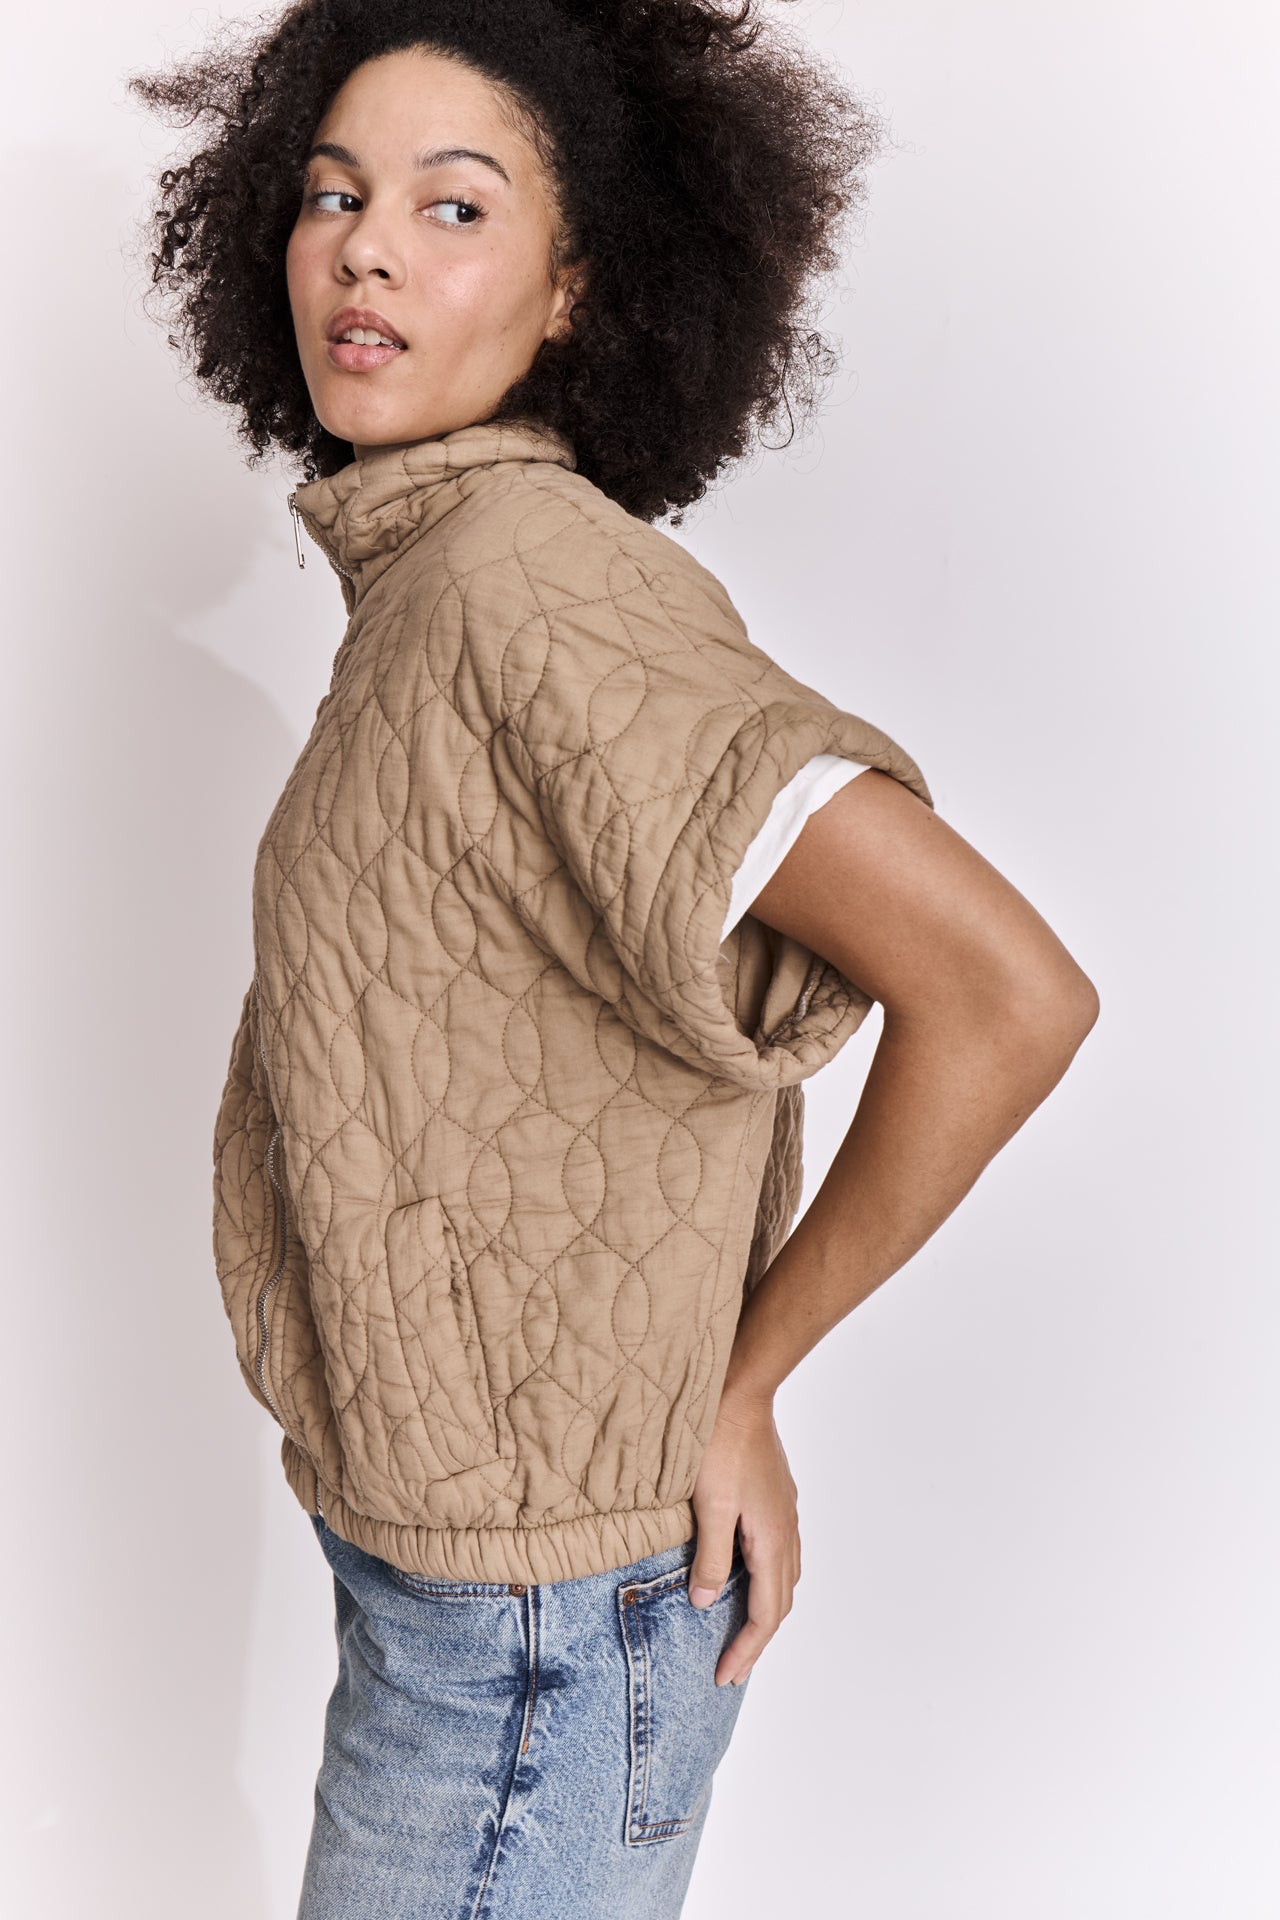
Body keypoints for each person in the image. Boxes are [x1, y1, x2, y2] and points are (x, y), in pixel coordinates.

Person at [130, 2, 1099, 1914]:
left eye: (453, 205)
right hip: (471, 1599)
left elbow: (1007, 992)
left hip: (529, 1647)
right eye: (331, 194)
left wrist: (747, 1381)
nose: (366, 250)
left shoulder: (534, 587)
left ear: (578, 289)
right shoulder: (437, 582)